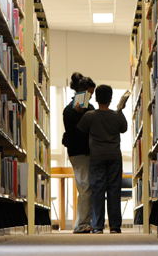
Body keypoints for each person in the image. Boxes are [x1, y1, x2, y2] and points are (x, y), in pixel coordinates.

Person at [77, 84, 127, 234]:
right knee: (114, 191)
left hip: (97, 157)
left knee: (98, 191)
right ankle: (115, 226)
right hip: (114, 156)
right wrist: (120, 110)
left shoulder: (90, 115)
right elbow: (124, 128)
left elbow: (80, 130)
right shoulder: (117, 115)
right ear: (111, 99)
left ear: (96, 99)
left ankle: (97, 226)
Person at [61, 73, 96, 234]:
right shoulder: (69, 111)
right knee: (85, 187)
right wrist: (79, 114)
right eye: (89, 93)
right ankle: (81, 224)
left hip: (90, 152)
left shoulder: (90, 108)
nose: (91, 97)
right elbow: (74, 134)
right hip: (78, 152)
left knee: (87, 187)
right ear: (81, 92)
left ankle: (86, 222)